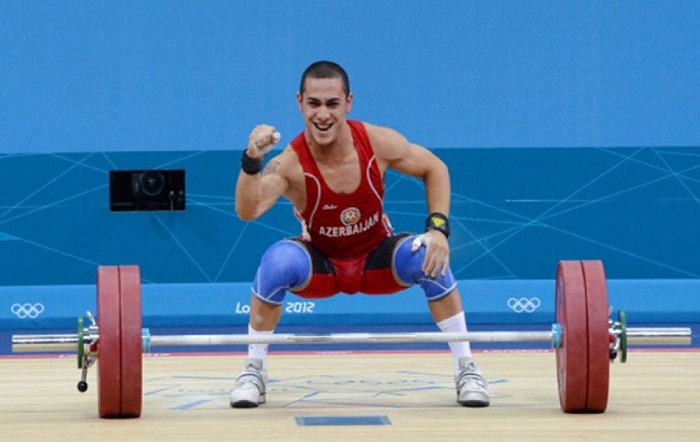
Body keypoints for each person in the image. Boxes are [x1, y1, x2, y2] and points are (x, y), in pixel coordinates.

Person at [230, 61, 489, 408]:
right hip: (320, 265)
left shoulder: (377, 142)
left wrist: (439, 229)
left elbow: (434, 168)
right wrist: (251, 160)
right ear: (300, 102)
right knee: (276, 262)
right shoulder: (289, 163)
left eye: (332, 104)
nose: (323, 114)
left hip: (376, 260)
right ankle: (254, 369)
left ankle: (466, 367)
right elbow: (248, 210)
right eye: (314, 104)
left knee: (429, 255)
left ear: (348, 102)